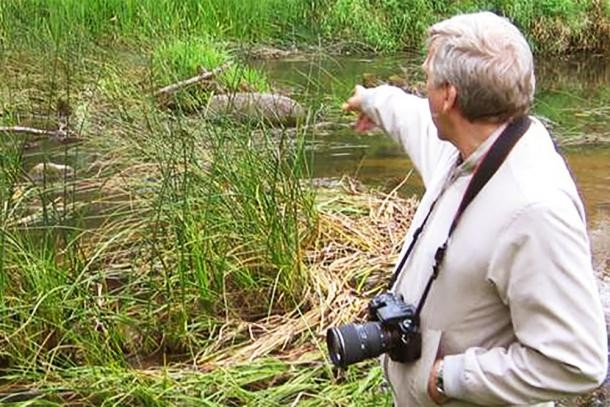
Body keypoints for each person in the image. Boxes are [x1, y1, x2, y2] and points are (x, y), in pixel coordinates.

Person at [342, 11, 608, 406]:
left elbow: (577, 361)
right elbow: (413, 117)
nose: (423, 86)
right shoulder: (471, 147)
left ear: (448, 98)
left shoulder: (535, 211)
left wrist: (450, 379)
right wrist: (372, 100)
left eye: (427, 77)